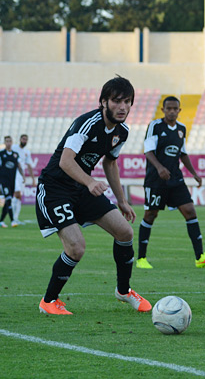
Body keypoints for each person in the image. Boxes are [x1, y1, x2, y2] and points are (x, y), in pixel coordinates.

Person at [36, 76, 151, 315]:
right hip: (55, 188)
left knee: (125, 232)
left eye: (128, 102)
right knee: (76, 247)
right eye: (117, 101)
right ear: (103, 102)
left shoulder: (122, 131)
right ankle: (49, 301)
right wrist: (89, 181)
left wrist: (121, 200)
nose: (123, 107)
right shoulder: (87, 123)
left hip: (81, 188)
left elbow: (110, 163)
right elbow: (66, 161)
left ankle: (123, 290)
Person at [136, 96, 205, 269]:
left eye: (175, 109)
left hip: (175, 179)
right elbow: (148, 151)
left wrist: (194, 173)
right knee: (151, 215)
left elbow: (182, 153)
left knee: (190, 211)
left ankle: (200, 257)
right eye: (169, 108)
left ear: (179, 110)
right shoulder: (155, 126)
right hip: (155, 180)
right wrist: (159, 168)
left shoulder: (181, 129)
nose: (172, 111)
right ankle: (141, 258)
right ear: (163, 110)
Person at [12, 134, 36, 226]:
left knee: (19, 197)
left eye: (26, 139)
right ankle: (13, 218)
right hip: (14, 174)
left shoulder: (27, 152)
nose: (24, 141)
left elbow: (29, 166)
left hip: (21, 176)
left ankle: (15, 218)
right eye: (23, 139)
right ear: (20, 139)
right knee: (17, 194)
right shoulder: (14, 148)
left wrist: (33, 179)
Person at [0, 135, 24, 228]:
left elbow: (19, 166)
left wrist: (23, 176)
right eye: (7, 141)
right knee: (9, 199)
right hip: (3, 181)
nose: (8, 143)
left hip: (12, 181)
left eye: (10, 141)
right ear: (4, 142)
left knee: (8, 201)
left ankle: (1, 221)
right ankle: (13, 220)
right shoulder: (1, 154)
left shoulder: (15, 155)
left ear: (12, 142)